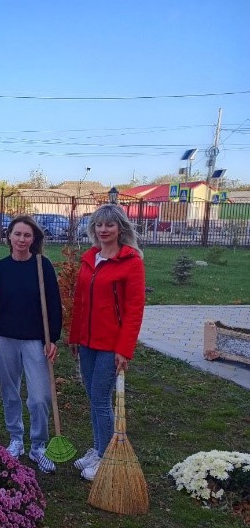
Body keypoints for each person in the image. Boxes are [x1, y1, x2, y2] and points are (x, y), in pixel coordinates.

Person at [69, 203, 145, 481]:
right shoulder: (90, 258)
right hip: (87, 342)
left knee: (101, 398)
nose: (103, 230)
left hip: (111, 345)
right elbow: (80, 302)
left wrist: (124, 349)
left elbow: (134, 309)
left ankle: (105, 457)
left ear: (120, 228)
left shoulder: (131, 262)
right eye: (99, 225)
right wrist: (74, 336)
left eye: (109, 225)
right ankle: (99, 447)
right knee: (93, 397)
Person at [0, 215, 62, 473]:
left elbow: (53, 303)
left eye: (27, 235)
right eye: (17, 234)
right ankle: (16, 439)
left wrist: (53, 338)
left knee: (40, 397)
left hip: (35, 340)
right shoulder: (0, 268)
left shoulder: (42, 265)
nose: (21, 239)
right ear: (9, 236)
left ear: (34, 239)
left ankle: (38, 445)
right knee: (10, 391)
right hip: (3, 338)